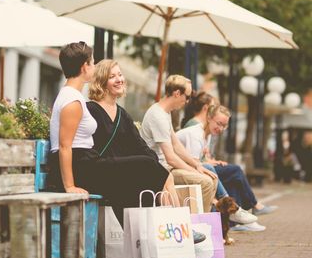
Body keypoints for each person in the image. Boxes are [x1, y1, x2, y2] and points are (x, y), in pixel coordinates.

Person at [48, 43, 169, 227]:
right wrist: (70, 186)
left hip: (87, 163)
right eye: (93, 62)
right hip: (82, 167)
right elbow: (65, 146)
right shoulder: (71, 100)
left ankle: (142, 235)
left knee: (129, 188)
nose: (94, 67)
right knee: (147, 165)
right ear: (84, 67)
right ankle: (166, 226)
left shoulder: (74, 96)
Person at [87, 59, 180, 208]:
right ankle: (175, 222)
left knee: (153, 175)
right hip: (101, 171)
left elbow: (141, 146)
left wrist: (153, 162)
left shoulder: (122, 115)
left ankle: (160, 225)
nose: (119, 80)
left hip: (120, 172)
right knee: (160, 173)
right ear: (101, 82)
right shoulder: (90, 110)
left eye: (120, 75)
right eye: (112, 77)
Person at [177, 98, 277, 231]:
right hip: (172, 168)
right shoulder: (196, 134)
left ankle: (236, 218)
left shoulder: (207, 134)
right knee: (216, 169)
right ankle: (237, 210)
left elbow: (198, 161)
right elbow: (194, 164)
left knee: (229, 176)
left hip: (185, 166)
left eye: (224, 126)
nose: (221, 128)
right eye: (219, 123)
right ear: (209, 118)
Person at [140, 74, 218, 213]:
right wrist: (194, 171)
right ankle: (196, 224)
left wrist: (197, 164)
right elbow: (170, 157)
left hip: (168, 167)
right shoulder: (158, 116)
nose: (187, 101)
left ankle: (203, 224)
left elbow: (176, 145)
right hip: (161, 170)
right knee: (206, 182)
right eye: (187, 96)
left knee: (212, 178)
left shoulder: (165, 112)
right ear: (177, 93)